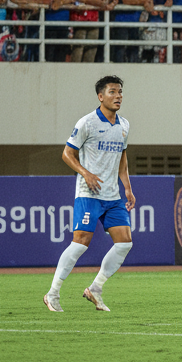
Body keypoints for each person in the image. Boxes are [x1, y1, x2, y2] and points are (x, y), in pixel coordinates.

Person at [44, 76, 135, 313]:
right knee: (81, 243)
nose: (118, 96)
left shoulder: (124, 125)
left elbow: (122, 158)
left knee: (124, 243)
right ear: (100, 96)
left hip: (113, 196)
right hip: (89, 193)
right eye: (113, 92)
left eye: (120, 92)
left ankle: (95, 288)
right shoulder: (87, 123)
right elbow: (67, 154)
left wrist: (127, 187)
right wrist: (85, 173)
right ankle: (52, 293)